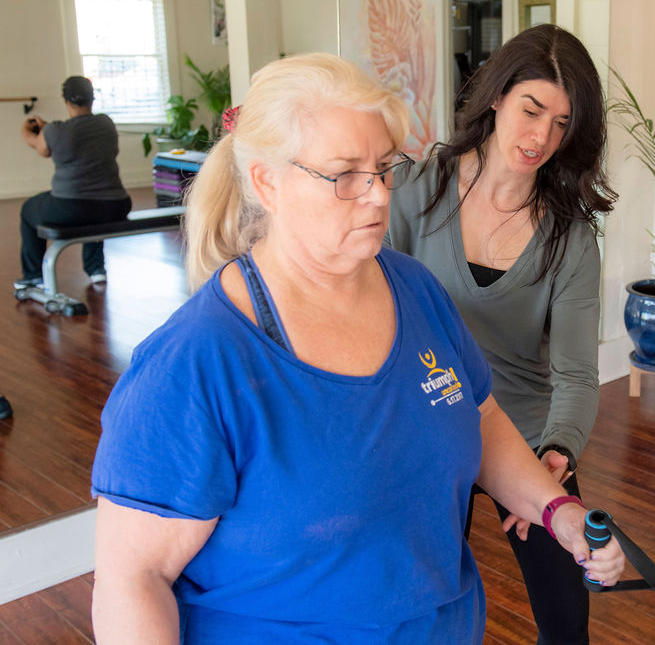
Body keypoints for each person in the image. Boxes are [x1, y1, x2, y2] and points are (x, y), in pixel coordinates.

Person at [90, 52, 623, 644]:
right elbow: (132, 579)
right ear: (268, 182)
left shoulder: (414, 288)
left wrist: (557, 511)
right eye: (345, 175)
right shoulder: (193, 363)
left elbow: (482, 418)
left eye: (384, 168)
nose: (376, 196)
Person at [387, 24, 617, 644]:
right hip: (428, 425)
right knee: (422, 615)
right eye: (531, 109)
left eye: (561, 122)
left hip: (525, 431)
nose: (541, 136)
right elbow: (374, 312)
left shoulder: (570, 237)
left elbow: (574, 375)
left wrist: (559, 453)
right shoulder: (413, 193)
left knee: (568, 626)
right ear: (496, 97)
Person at [16, 76, 131, 289]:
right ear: (92, 99)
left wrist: (27, 126)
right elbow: (76, 133)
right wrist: (47, 128)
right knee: (94, 210)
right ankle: (96, 269)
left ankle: (33, 275)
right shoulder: (106, 123)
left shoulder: (55, 131)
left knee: (28, 209)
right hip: (116, 205)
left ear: (66, 101)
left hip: (71, 208)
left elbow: (38, 145)